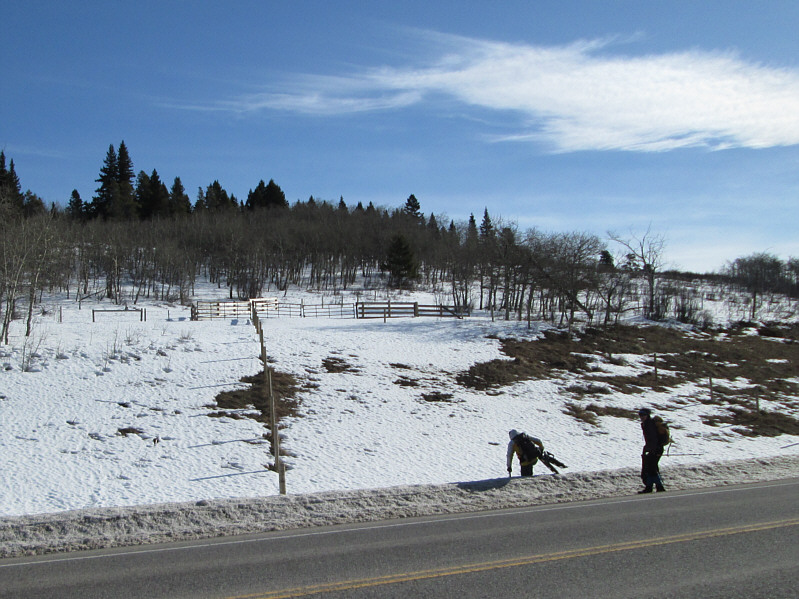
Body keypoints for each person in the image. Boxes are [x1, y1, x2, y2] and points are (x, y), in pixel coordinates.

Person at [638, 408, 666, 493]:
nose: (641, 417)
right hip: (653, 449)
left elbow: (653, 439)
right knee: (651, 468)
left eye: (643, 415)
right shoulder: (646, 424)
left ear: (647, 415)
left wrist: (653, 450)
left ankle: (658, 487)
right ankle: (652, 487)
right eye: (640, 415)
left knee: (651, 468)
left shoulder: (650, 424)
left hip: (656, 449)